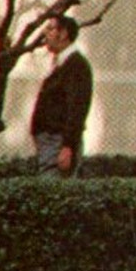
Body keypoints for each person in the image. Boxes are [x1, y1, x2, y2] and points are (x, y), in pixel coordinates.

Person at [30, 14, 93, 176]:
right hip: (51, 143)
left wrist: (68, 146)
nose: (46, 33)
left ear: (63, 34)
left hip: (57, 143)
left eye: (51, 28)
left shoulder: (76, 65)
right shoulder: (61, 64)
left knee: (52, 191)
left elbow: (77, 108)